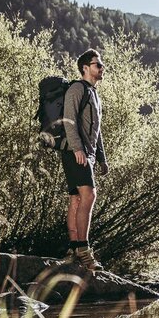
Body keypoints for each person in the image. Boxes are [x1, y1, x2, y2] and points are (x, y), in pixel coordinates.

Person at [61, 48, 109, 271]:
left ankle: (74, 250)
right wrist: (78, 148)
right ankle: (84, 251)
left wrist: (101, 158)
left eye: (101, 64)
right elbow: (68, 120)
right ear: (85, 68)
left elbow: (96, 130)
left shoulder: (94, 94)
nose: (102, 68)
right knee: (89, 195)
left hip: (86, 153)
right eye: (98, 64)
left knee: (77, 200)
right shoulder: (76, 89)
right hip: (74, 152)